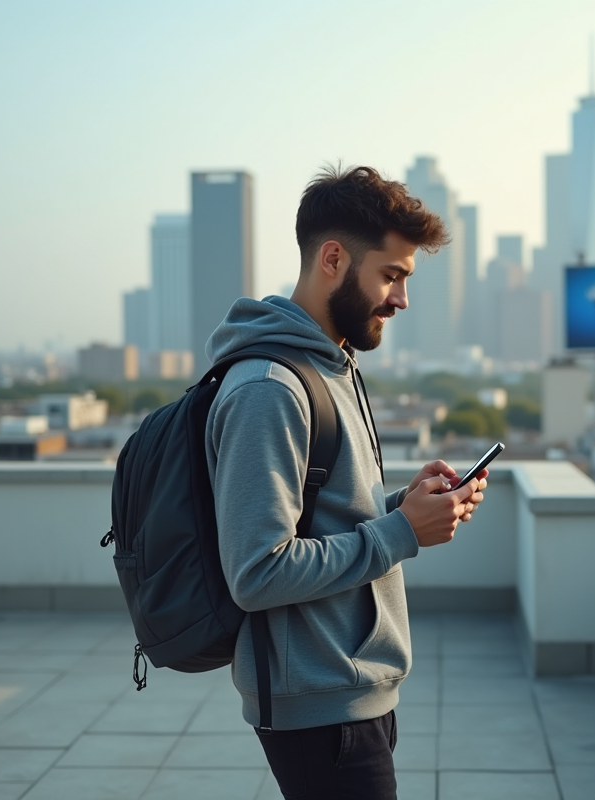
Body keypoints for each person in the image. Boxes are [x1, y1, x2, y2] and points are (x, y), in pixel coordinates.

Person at [204, 165, 489, 799]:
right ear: (333, 258)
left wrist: (404, 508)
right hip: (316, 703)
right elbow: (256, 572)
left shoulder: (331, 366)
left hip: (350, 689)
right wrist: (400, 532)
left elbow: (321, 514)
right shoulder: (269, 391)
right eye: (391, 275)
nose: (401, 299)